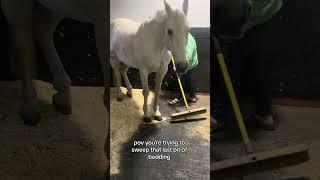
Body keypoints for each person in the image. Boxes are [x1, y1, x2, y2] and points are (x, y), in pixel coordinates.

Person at [212, 0, 283, 132]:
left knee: (230, 62)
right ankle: (264, 114)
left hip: (244, 12)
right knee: (259, 60)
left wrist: (242, 25)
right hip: (268, 9)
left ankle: (218, 117)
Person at [169, 32, 199, 105]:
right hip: (184, 61)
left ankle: (178, 98)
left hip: (189, 64)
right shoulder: (182, 36)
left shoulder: (189, 44)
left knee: (181, 79)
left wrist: (178, 68)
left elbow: (186, 60)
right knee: (187, 80)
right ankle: (192, 96)